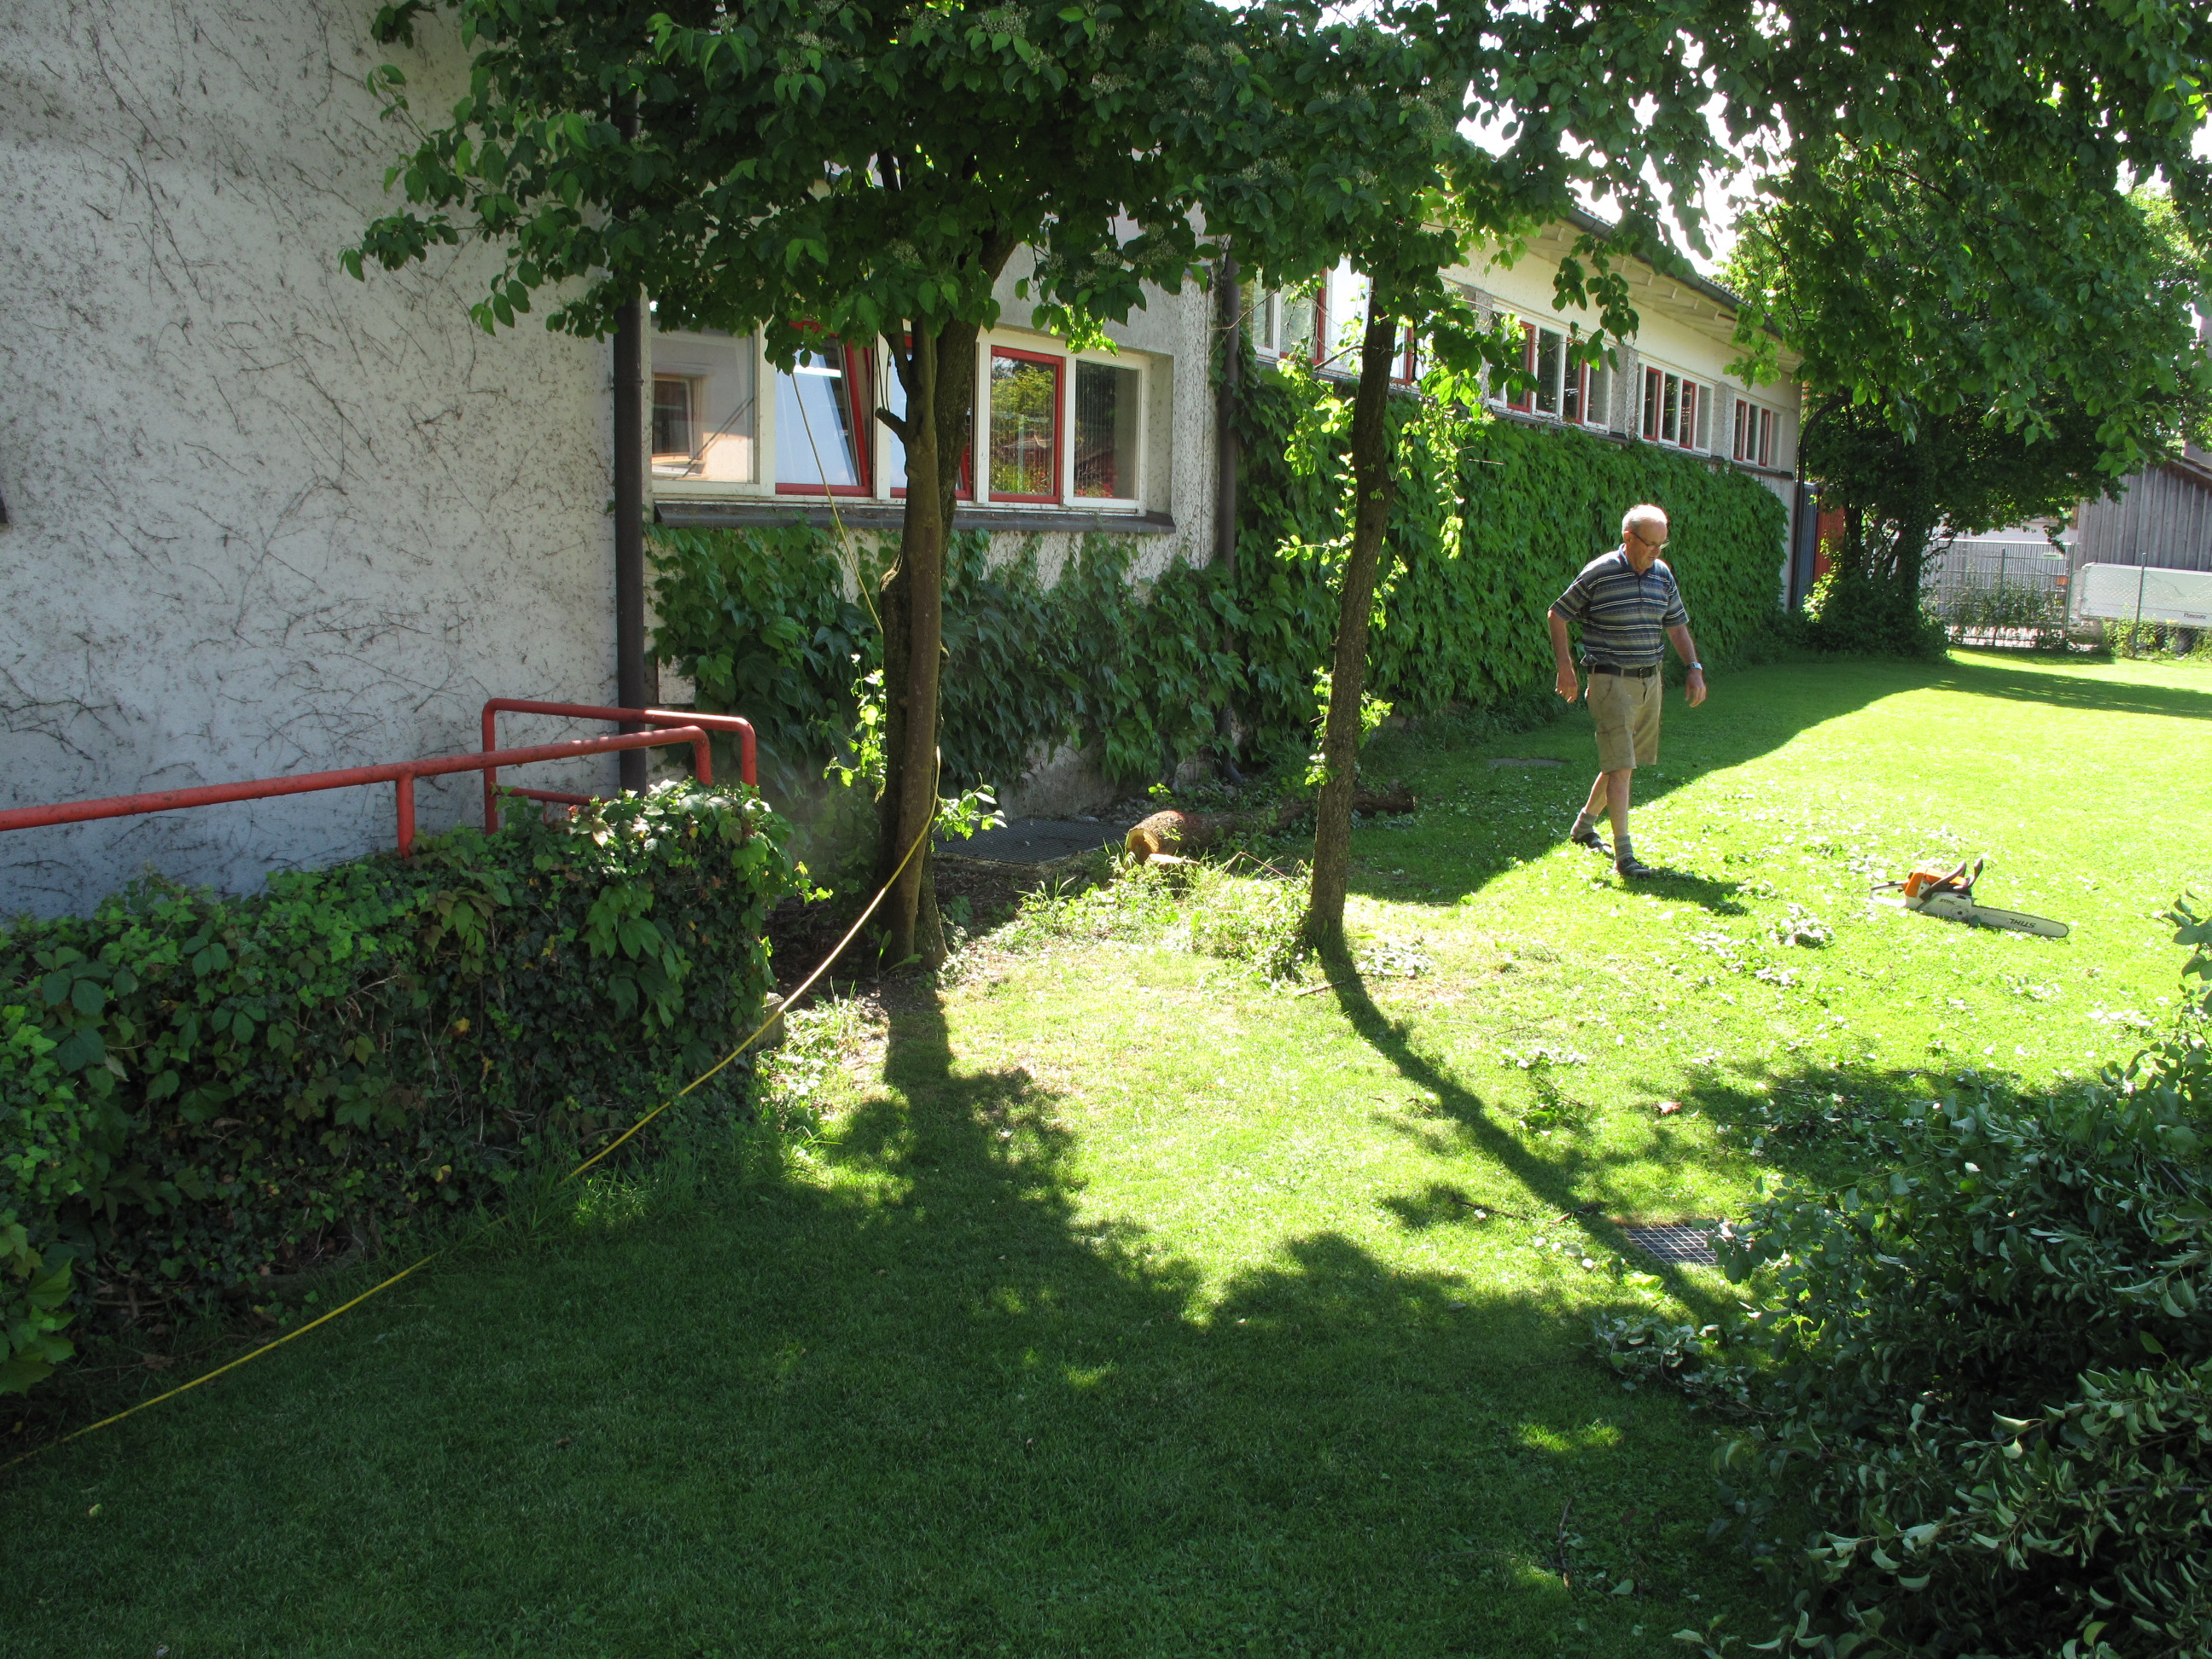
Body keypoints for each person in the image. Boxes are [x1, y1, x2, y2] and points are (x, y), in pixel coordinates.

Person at [1545, 503, 1707, 878]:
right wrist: (1566, 668)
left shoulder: (1662, 575)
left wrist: (1694, 668)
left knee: (1623, 763)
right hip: (1610, 680)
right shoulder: (1600, 572)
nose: (1656, 552)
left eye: (1662, 545)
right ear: (1628, 538)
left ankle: (1583, 826)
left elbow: (1676, 625)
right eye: (1650, 544)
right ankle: (1625, 855)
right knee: (1621, 766)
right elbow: (1558, 613)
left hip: (1650, 682)